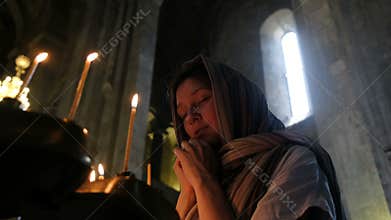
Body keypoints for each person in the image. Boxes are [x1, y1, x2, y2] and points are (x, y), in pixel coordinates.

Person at [169, 54, 345, 220]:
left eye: (201, 100)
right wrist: (189, 192)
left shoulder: (294, 161)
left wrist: (204, 183)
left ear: (235, 101)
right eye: (183, 114)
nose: (191, 118)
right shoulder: (197, 178)